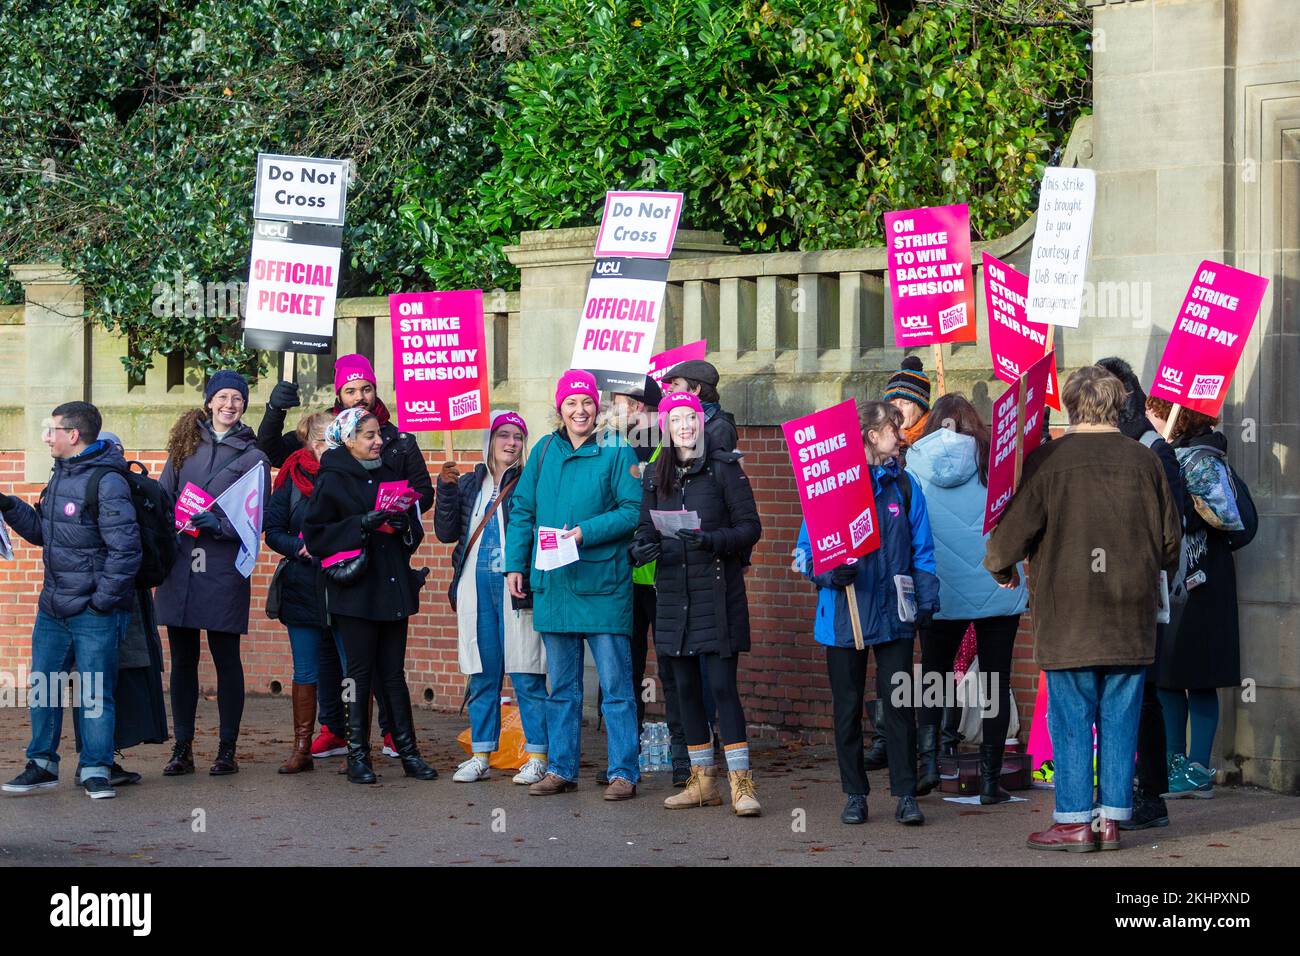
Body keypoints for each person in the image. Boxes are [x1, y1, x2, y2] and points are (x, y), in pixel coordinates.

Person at [985, 366, 1180, 852]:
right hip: (1130, 614)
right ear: (1119, 405)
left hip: (1069, 612)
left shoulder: (1049, 461)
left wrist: (1000, 567)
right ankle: (1112, 820)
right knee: (1121, 716)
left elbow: (1011, 535)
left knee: (1072, 716)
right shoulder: (1145, 460)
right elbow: (1170, 542)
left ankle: (1073, 820)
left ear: (1071, 405)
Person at [260, 355, 431, 760]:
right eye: (351, 390)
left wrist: (402, 514)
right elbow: (268, 450)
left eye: (366, 388)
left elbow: (421, 495)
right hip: (321, 578)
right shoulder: (328, 449)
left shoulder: (398, 441)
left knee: (382, 667)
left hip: (381, 570)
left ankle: (393, 736)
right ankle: (338, 734)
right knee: (334, 661)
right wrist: (275, 408)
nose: (360, 396)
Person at [795, 400, 939, 827]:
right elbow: (804, 555)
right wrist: (828, 573)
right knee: (847, 709)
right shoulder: (832, 488)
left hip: (894, 614)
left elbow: (923, 552)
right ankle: (855, 793)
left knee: (897, 705)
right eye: (894, 429)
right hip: (843, 616)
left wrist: (926, 602)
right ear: (872, 436)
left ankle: (906, 794)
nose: (901, 437)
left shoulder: (906, 487)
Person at [504, 370, 643, 800]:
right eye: (571, 403)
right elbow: (523, 509)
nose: (579, 411)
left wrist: (585, 532)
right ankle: (561, 768)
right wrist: (515, 565)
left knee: (616, 688)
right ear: (559, 407)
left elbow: (633, 511)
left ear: (596, 407)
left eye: (586, 403)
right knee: (561, 687)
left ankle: (623, 772)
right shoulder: (544, 451)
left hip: (603, 583)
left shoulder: (617, 450)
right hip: (555, 584)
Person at [632, 392, 763, 815]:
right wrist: (643, 550)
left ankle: (741, 785)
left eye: (691, 417)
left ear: (700, 423)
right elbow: (642, 532)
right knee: (684, 690)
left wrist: (711, 540)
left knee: (722, 688)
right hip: (673, 595)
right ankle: (702, 781)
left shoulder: (724, 468)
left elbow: (750, 528)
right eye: (677, 419)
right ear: (666, 428)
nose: (685, 425)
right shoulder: (656, 474)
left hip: (718, 594)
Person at [1, 402, 140, 800]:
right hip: (53, 609)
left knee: (94, 691)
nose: (47, 436)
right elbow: (47, 534)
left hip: (93, 612)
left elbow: (125, 551)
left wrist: (101, 602)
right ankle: (41, 765)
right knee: (44, 687)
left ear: (73, 435)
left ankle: (95, 768)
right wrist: (9, 506)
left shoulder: (107, 481)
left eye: (52, 429)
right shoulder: (60, 473)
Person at [302, 408, 437, 784]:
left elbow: (413, 527)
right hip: (355, 590)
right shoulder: (332, 478)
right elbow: (315, 535)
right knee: (357, 676)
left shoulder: (390, 473)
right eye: (369, 436)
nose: (379, 441)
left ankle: (409, 753)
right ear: (348, 439)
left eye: (379, 434)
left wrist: (401, 523)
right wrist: (360, 525)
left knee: (393, 675)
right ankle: (358, 757)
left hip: (391, 585)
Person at [907, 394, 1029, 803]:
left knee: (933, 679)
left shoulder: (914, 465)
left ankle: (928, 766)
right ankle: (991, 783)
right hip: (997, 585)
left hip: (939, 590)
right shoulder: (994, 463)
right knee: (995, 681)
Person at [155, 371, 271, 776]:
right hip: (181, 564)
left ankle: (226, 749)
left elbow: (257, 519)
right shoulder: (184, 446)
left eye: (237, 398)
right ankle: (182, 748)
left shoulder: (255, 456)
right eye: (222, 396)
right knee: (183, 661)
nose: (229, 404)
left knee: (226, 660)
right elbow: (163, 498)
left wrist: (218, 525)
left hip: (222, 567)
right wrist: (173, 521)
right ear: (209, 401)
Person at [1146, 396, 1257, 801]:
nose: (1147, 416)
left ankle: (1195, 767)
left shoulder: (1202, 459)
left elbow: (1223, 517)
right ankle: (1175, 762)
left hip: (1201, 587)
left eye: (1153, 410)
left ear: (1175, 416)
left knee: (1200, 678)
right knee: (1169, 679)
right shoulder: (1172, 454)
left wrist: (1183, 504)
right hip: (1178, 586)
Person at [435, 410, 549, 784]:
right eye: (503, 435)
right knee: (482, 673)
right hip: (475, 588)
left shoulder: (531, 480)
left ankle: (537, 755)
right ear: (489, 440)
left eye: (517, 436)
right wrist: (446, 490)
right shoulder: (470, 483)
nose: (511, 443)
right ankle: (481, 752)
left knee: (525, 672)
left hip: (516, 590)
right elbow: (446, 532)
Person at [1097, 357, 1185, 829]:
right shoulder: (1091, 443)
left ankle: (1149, 794)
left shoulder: (1153, 446)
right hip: (1098, 587)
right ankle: (1113, 789)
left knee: (1143, 695)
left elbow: (1178, 519)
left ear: (1124, 395)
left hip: (1138, 590)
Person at [69, 432, 169, 788]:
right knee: (98, 680)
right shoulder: (97, 485)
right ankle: (95, 762)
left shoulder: (91, 483)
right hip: (103, 599)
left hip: (117, 595)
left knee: (107, 679)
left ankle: (100, 759)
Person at [606, 377, 690, 785]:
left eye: (617, 402)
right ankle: (627, 758)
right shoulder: (612, 448)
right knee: (627, 670)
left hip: (666, 576)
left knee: (673, 670)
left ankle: (682, 758)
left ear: (639, 407)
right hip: (624, 579)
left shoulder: (669, 451)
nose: (610, 409)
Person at [264, 410, 334, 774]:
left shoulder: (349, 475)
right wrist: (297, 547)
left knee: (350, 668)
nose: (326, 447)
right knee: (305, 669)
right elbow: (272, 530)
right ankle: (302, 747)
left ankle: (355, 747)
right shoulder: (291, 476)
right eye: (320, 440)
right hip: (302, 586)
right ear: (308, 441)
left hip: (343, 584)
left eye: (333, 439)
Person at [662, 358, 738, 453]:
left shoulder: (721, 428)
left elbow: (717, 466)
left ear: (695, 390)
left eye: (676, 384)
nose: (670, 389)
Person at [884, 355, 932, 452]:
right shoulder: (877, 440)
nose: (898, 409)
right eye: (892, 403)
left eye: (906, 403)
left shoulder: (934, 440)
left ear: (922, 409)